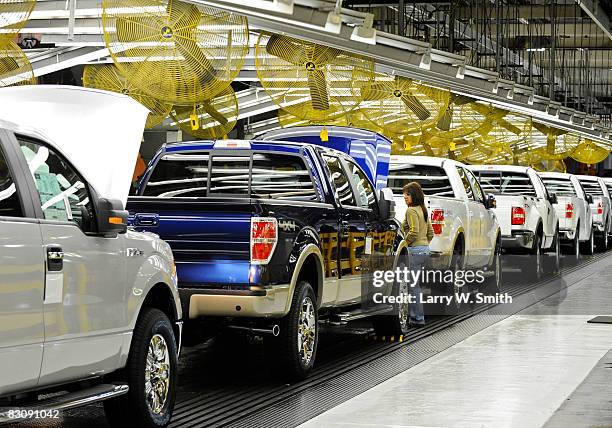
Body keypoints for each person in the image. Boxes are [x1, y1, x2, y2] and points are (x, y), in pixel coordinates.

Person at [402, 182, 434, 327]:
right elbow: (431, 233)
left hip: (414, 251)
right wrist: (423, 245)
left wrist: (404, 245)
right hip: (424, 251)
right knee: (416, 286)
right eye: (404, 194)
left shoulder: (411, 211)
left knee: (412, 286)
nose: (404, 197)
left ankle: (417, 318)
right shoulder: (423, 210)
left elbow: (413, 232)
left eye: (407, 194)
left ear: (414, 195)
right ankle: (416, 317)